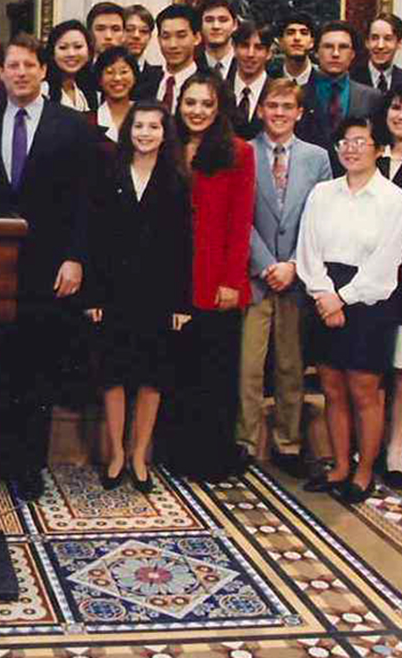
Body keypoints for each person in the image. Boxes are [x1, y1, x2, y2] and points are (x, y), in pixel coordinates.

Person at [0, 33, 100, 500]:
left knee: (37, 368)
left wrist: (76, 257)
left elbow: (85, 200)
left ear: (44, 71)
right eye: (12, 65)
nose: (20, 73)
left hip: (48, 266)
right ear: (0, 71)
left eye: (28, 65)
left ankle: (27, 465)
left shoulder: (72, 126)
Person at [85, 101, 191, 492]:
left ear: (166, 134)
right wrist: (93, 295)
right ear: (128, 130)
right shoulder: (109, 173)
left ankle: (139, 455)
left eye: (154, 127)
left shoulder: (177, 179)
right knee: (113, 375)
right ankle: (115, 454)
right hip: (113, 292)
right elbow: (95, 238)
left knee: (151, 376)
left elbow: (184, 246)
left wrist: (182, 302)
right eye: (139, 126)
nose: (145, 133)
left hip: (159, 295)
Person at [297, 115, 402, 503]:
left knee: (364, 391)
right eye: (345, 141)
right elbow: (307, 250)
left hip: (371, 300)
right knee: (332, 387)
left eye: (361, 141)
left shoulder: (394, 199)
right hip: (323, 295)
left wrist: (343, 298)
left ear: (379, 148)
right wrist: (324, 294)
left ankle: (363, 472)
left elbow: (387, 261)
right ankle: (339, 465)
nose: (352, 148)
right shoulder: (322, 193)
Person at [236, 79, 332, 479]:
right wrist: (264, 263)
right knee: (249, 363)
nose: (278, 112)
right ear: (260, 110)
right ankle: (244, 440)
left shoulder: (318, 158)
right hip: (255, 274)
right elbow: (238, 215)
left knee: (291, 363)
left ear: (299, 112)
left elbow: (322, 216)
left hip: (297, 275)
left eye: (286, 106)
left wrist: (293, 264)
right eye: (271, 105)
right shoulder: (244, 153)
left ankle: (287, 442)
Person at [162, 71, 255, 481]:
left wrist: (231, 281)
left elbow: (241, 223)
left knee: (214, 374)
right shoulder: (167, 146)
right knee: (178, 368)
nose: (196, 111)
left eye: (205, 104)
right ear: (178, 105)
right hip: (172, 275)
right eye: (190, 103)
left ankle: (211, 456)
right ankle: (178, 453)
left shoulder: (238, 151)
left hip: (216, 278)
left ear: (218, 110)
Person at [298, 21, 381, 165]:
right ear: (316, 52)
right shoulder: (299, 95)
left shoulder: (372, 98)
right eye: (328, 46)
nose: (335, 54)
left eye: (343, 47)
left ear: (352, 54)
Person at [376, 90, 402, 489]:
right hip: (371, 279)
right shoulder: (370, 154)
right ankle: (371, 443)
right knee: (373, 366)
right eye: (398, 107)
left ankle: (396, 448)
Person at [143, 4, 202, 113]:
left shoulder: (211, 85)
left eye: (181, 36)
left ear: (197, 38)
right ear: (159, 39)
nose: (173, 45)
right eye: (166, 37)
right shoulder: (144, 82)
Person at [43, 20, 97, 113]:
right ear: (52, 53)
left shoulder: (87, 91)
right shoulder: (43, 91)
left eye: (78, 47)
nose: (71, 54)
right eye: (63, 47)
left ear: (89, 52)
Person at [231, 21, 273, 140]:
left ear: (269, 53)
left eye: (258, 48)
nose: (250, 54)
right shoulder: (220, 89)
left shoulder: (277, 92)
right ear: (234, 49)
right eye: (244, 46)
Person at [93, 46, 138, 143]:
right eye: (110, 72)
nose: (117, 78)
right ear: (100, 79)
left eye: (124, 72)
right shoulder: (89, 121)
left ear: (135, 76)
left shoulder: (146, 114)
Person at [354, 13, 402, 95]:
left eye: (388, 39)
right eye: (374, 38)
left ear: (399, 43)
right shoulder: (352, 79)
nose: (380, 46)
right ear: (367, 42)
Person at [197, 0, 238, 82]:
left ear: (235, 25)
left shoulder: (247, 65)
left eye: (223, 20)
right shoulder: (191, 68)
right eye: (209, 20)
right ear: (200, 25)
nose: (216, 26)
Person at [124, 4, 162, 98]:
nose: (136, 36)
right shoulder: (104, 72)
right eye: (129, 30)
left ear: (150, 37)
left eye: (144, 31)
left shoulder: (158, 77)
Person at [270, 12, 316, 86]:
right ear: (280, 41)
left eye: (304, 33)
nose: (297, 38)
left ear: (312, 42)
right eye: (290, 33)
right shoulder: (269, 81)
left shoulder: (325, 81)